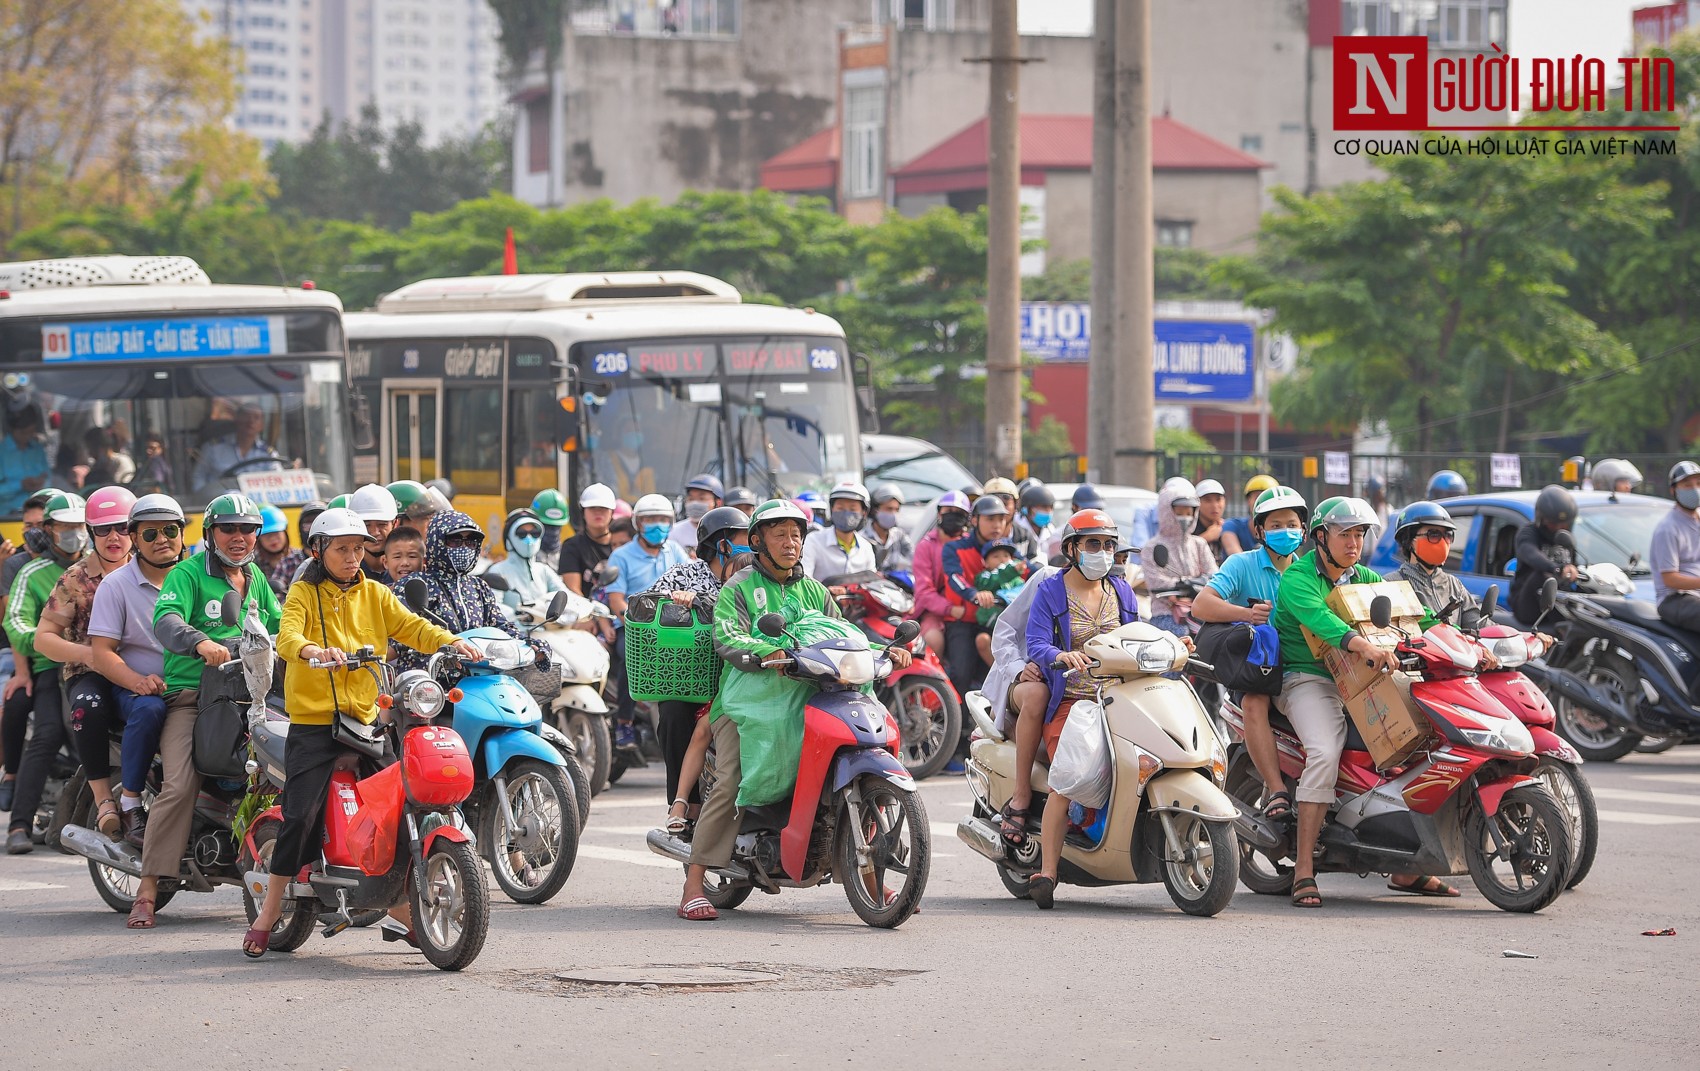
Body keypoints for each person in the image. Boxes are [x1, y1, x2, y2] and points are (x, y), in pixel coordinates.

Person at [243, 507, 476, 958]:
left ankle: (402, 907)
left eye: (357, 548)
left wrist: (450, 641)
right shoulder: (303, 594)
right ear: (318, 551)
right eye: (342, 549)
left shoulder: (374, 592)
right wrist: (311, 650)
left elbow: (411, 626)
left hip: (365, 720)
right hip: (314, 723)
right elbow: (287, 636)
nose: (352, 557)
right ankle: (269, 911)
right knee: (301, 815)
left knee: (397, 800)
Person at [675, 500, 910, 921]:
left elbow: (845, 635)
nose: (791, 542)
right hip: (749, 697)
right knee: (731, 778)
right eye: (780, 534)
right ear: (758, 540)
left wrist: (884, 651)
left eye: (797, 534)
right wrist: (770, 651)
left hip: (813, 694)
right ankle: (694, 883)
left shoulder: (815, 591)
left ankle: (871, 876)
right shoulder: (740, 587)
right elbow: (726, 637)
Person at [1271, 496, 1453, 907]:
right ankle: (1303, 867)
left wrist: (1457, 636)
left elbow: (1414, 614)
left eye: (1359, 534)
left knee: (1421, 739)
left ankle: (1407, 867)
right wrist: (1360, 644)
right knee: (1324, 751)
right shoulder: (1298, 578)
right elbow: (1321, 619)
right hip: (1307, 679)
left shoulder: (1363, 577)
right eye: (1344, 534)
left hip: (1363, 676)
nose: (1353, 542)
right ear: (1320, 536)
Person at [144, 494, 282, 924]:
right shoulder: (186, 574)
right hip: (194, 696)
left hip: (255, 694)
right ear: (210, 534)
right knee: (180, 784)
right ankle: (147, 889)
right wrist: (200, 642)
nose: (239, 538)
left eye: (248, 529)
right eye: (229, 529)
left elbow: (283, 626)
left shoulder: (255, 576)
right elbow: (165, 620)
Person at [1011, 509, 1141, 905]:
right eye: (1092, 545)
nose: (1102, 552)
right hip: (1071, 701)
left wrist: (1175, 643)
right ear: (1071, 549)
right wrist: (1060, 655)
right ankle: (1048, 871)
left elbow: (1139, 634)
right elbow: (1035, 643)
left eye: (1108, 545)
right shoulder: (1051, 590)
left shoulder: (1122, 590)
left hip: (1119, 700)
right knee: (1066, 778)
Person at [1191, 485, 1309, 818]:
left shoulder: (1308, 571)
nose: (1284, 532)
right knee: (1255, 702)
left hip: (1302, 666)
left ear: (1304, 530)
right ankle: (1276, 789)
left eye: (1291, 524)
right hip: (1258, 668)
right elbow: (1202, 605)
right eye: (1275, 525)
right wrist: (1246, 614)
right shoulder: (1242, 564)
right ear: (1259, 530)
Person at [34, 487, 134, 854]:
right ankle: (104, 799)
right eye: (104, 530)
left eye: (122, 528)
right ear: (91, 533)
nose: (114, 538)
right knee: (87, 708)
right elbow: (43, 638)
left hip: (144, 668)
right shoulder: (75, 578)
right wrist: (89, 654)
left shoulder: (156, 568)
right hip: (88, 673)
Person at [86, 494, 183, 864]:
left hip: (195, 686)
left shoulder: (197, 577)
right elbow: (102, 652)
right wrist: (136, 680)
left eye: (170, 530)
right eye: (150, 533)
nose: (162, 539)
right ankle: (129, 804)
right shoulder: (115, 586)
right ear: (135, 540)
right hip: (137, 688)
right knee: (149, 709)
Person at [643, 506, 750, 835]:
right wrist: (676, 601)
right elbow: (647, 605)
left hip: (742, 671)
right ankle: (684, 802)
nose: (752, 545)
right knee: (673, 715)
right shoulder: (684, 573)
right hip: (691, 678)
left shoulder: (754, 574)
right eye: (744, 539)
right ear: (722, 544)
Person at [3, 491, 89, 853]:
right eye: (65, 527)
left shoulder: (100, 566)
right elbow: (15, 620)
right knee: (48, 732)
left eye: (79, 526)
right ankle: (19, 825)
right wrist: (49, 639)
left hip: (102, 665)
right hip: (51, 670)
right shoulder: (32, 572)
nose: (74, 533)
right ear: (49, 530)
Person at [396, 510, 549, 672]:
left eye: (471, 542)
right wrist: (443, 650)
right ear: (437, 541)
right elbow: (401, 633)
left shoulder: (478, 586)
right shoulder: (416, 583)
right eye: (455, 541)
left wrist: (530, 644)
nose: (463, 547)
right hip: (433, 684)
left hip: (480, 676)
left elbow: (500, 626)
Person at [603, 493, 688, 748]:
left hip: (674, 626)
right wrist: (636, 622)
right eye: (651, 519)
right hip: (633, 627)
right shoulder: (621, 556)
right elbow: (616, 600)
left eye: (663, 519)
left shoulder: (676, 551)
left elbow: (693, 584)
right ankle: (624, 724)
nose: (657, 524)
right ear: (638, 523)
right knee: (633, 656)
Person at [941, 495, 1013, 698]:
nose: (997, 525)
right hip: (963, 620)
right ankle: (959, 726)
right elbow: (954, 578)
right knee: (961, 673)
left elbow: (1027, 569)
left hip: (997, 621)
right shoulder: (954, 548)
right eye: (990, 519)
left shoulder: (1006, 548)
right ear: (974, 520)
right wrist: (974, 594)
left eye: (1001, 519)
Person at [1144, 479, 1217, 638]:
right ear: (1166, 510)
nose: (1186, 517)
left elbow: (1214, 576)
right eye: (1179, 512)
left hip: (1200, 611)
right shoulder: (1152, 547)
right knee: (1181, 637)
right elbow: (1154, 581)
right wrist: (1186, 583)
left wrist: (1193, 585)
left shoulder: (1199, 544)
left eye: (1189, 512)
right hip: (1166, 612)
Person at [1391, 501, 1480, 620]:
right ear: (1409, 540)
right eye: (1433, 534)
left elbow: (1476, 623)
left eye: (1448, 535)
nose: (1443, 542)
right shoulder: (1392, 585)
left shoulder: (1454, 585)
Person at [1509, 485, 1579, 627]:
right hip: (1528, 605)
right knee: (1544, 576)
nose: (1558, 528)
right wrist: (1556, 568)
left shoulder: (1565, 539)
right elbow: (1530, 553)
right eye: (1553, 523)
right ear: (1542, 518)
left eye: (1563, 524)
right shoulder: (1528, 533)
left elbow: (1573, 565)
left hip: (1560, 602)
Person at [913, 490, 971, 658]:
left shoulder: (969, 544)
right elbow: (924, 591)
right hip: (936, 612)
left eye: (959, 513)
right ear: (939, 513)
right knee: (933, 640)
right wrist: (950, 609)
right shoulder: (926, 546)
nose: (953, 516)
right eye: (948, 512)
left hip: (966, 610)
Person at [1650, 461, 1700, 633]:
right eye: (1687, 485)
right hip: (1674, 600)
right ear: (1673, 490)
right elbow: (1670, 579)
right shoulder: (1668, 528)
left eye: (1698, 484)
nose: (1695, 489)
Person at [485, 508, 567, 611]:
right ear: (509, 538)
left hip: (546, 625)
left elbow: (566, 596)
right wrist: (516, 615)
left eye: (535, 533)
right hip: (512, 626)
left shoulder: (543, 570)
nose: (529, 538)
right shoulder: (497, 571)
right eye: (521, 534)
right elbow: (493, 608)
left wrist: (591, 606)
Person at [192, 403, 280, 492]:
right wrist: (204, 498)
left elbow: (279, 482)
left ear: (262, 425)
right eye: (246, 416)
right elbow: (199, 476)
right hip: (221, 503)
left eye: (256, 418)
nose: (251, 421)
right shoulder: (213, 448)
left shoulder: (268, 455)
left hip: (257, 504)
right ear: (237, 420)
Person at [801, 480, 877, 584]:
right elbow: (804, 580)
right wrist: (826, 592)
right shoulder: (813, 541)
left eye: (852, 508)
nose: (846, 513)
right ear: (832, 509)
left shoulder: (866, 548)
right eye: (840, 508)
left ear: (864, 512)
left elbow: (872, 583)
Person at [972, 537, 1027, 665]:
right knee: (982, 640)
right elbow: (988, 583)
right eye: (996, 556)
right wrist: (1010, 571)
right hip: (991, 627)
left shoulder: (1018, 581)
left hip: (1014, 628)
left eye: (1006, 555)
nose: (1002, 559)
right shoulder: (984, 577)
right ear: (985, 562)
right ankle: (999, 672)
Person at [560, 482, 617, 597]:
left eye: (603, 508)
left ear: (612, 512)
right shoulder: (572, 546)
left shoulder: (624, 542)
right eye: (592, 508)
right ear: (583, 512)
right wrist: (591, 611)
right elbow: (573, 589)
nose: (598, 512)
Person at [0, 403, 50, 515]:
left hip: (39, 514)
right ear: (12, 429)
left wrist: (41, 484)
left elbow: (48, 477)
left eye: (31, 432)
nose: (28, 436)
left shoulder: (37, 449)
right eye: (23, 433)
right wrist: (19, 485)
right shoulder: (2, 453)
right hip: (7, 517)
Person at [347, 484, 399, 580]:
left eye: (382, 524)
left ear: (395, 523)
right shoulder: (344, 573)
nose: (375, 532)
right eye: (366, 525)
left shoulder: (406, 570)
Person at [1221, 474, 1279, 556]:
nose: (1263, 503)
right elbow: (1236, 558)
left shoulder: (1282, 531)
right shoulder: (1232, 526)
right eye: (1257, 497)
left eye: (1268, 498)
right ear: (1248, 500)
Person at [865, 483, 914, 572]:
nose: (893, 514)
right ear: (874, 510)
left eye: (896, 509)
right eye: (889, 509)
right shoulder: (863, 537)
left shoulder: (898, 535)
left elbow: (915, 557)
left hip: (893, 585)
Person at [669, 474, 725, 552]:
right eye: (691, 499)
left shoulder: (725, 532)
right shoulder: (673, 532)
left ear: (718, 503)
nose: (694, 503)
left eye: (702, 498)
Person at [255, 505, 304, 589]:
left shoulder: (300, 559)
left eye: (276, 533)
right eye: (266, 535)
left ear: (285, 532)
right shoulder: (253, 564)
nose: (272, 539)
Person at [1013, 481, 1056, 564]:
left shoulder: (1050, 529)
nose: (1048, 512)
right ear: (1027, 509)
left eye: (1050, 507)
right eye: (1043, 507)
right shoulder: (1016, 528)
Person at [1193, 479, 1229, 564]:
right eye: (1208, 500)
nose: (1214, 505)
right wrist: (1206, 537)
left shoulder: (1230, 528)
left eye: (1218, 499)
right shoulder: (1190, 528)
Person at [531, 488, 570, 560]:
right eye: (546, 526)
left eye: (556, 527)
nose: (553, 532)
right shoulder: (525, 554)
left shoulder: (568, 556)